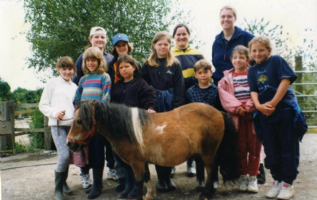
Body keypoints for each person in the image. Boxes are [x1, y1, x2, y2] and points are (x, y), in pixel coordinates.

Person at [248, 35, 307, 199]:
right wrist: (259, 106)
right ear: (250, 52)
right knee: (271, 149)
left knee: (287, 147)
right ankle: (277, 180)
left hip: (284, 110)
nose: (258, 53)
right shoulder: (252, 70)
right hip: (264, 113)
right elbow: (253, 90)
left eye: (261, 50)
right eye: (254, 50)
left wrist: (273, 103)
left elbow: (285, 80)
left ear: (269, 50)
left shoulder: (276, 61)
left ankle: (288, 183)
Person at [73, 26, 117, 190]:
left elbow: (108, 91)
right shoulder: (82, 64)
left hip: (102, 114)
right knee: (87, 146)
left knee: (106, 144)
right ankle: (85, 174)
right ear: (90, 39)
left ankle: (111, 170)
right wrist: (78, 109)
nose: (99, 40)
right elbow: (78, 91)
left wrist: (101, 109)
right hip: (85, 115)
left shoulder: (111, 59)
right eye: (96, 37)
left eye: (102, 37)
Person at [142, 31, 185, 193]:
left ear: (169, 46)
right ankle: (161, 179)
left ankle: (168, 177)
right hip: (153, 106)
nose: (163, 47)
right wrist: (148, 105)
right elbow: (144, 87)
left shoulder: (174, 64)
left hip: (171, 105)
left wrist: (178, 107)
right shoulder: (147, 65)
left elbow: (180, 87)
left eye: (166, 44)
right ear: (154, 45)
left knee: (170, 140)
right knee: (157, 142)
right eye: (160, 44)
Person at [111, 55, 157, 199]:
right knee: (124, 159)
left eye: (127, 66)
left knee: (135, 159)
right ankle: (128, 186)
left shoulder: (141, 84)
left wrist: (150, 107)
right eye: (121, 68)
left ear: (134, 67)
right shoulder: (117, 86)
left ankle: (137, 188)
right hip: (120, 128)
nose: (124, 70)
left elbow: (150, 97)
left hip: (136, 127)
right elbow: (112, 105)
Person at [218, 45, 261, 193]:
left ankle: (253, 176)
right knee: (240, 148)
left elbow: (258, 91)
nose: (238, 60)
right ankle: (243, 176)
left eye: (241, 57)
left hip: (253, 115)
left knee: (254, 148)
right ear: (231, 60)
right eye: (235, 57)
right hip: (237, 118)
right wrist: (238, 109)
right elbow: (225, 96)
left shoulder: (253, 75)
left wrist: (249, 106)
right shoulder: (225, 79)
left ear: (248, 59)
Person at [39, 56, 77, 200]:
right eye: (64, 69)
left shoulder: (75, 87)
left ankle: (64, 182)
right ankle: (58, 188)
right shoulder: (52, 83)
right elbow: (43, 105)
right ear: (59, 69)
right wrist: (55, 113)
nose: (67, 72)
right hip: (57, 125)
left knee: (69, 157)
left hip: (72, 127)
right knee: (64, 155)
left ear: (73, 69)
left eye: (69, 69)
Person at [171, 23, 205, 178]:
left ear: (189, 35)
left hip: (193, 95)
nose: (181, 37)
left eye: (184, 34)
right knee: (174, 129)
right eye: (178, 34)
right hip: (176, 95)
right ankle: (171, 164)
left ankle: (190, 163)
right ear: (174, 37)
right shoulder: (169, 53)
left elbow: (204, 71)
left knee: (192, 131)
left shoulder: (198, 53)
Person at [185, 60, 222, 191]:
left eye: (206, 72)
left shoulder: (217, 90)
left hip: (212, 129)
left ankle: (214, 179)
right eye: (200, 73)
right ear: (195, 75)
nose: (203, 75)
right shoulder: (190, 92)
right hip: (196, 128)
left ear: (211, 73)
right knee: (197, 154)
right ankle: (200, 180)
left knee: (213, 154)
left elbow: (219, 109)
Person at [212, 5, 254, 85]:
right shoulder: (216, 42)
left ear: (235, 19)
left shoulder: (246, 37)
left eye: (229, 16)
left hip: (242, 84)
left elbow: (257, 59)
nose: (225, 19)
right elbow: (215, 63)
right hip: (220, 85)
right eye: (223, 17)